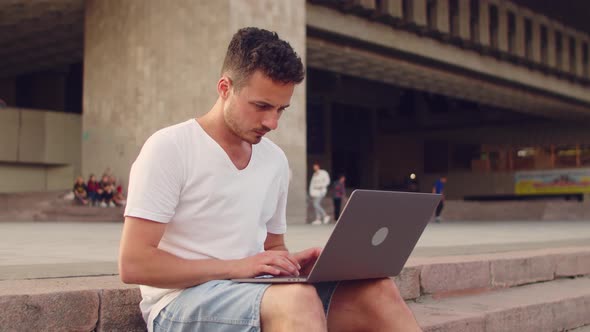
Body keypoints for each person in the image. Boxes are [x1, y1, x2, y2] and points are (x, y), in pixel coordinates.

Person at [119, 27, 422, 332]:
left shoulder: (274, 160)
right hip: (180, 301)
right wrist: (236, 267)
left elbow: (273, 245)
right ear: (225, 88)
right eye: (262, 106)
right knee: (297, 301)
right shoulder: (170, 147)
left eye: (281, 109)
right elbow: (134, 264)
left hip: (254, 290)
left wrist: (290, 266)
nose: (272, 122)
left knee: (377, 290)